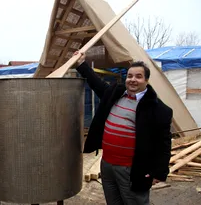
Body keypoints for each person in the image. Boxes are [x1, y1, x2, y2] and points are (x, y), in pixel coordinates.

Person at [74, 51, 173, 205]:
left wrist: (159, 172)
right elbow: (96, 83)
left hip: (132, 169)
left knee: (134, 202)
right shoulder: (115, 94)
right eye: (130, 76)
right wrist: (81, 64)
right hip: (107, 165)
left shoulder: (158, 109)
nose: (133, 80)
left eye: (138, 76)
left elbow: (164, 144)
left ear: (147, 80)